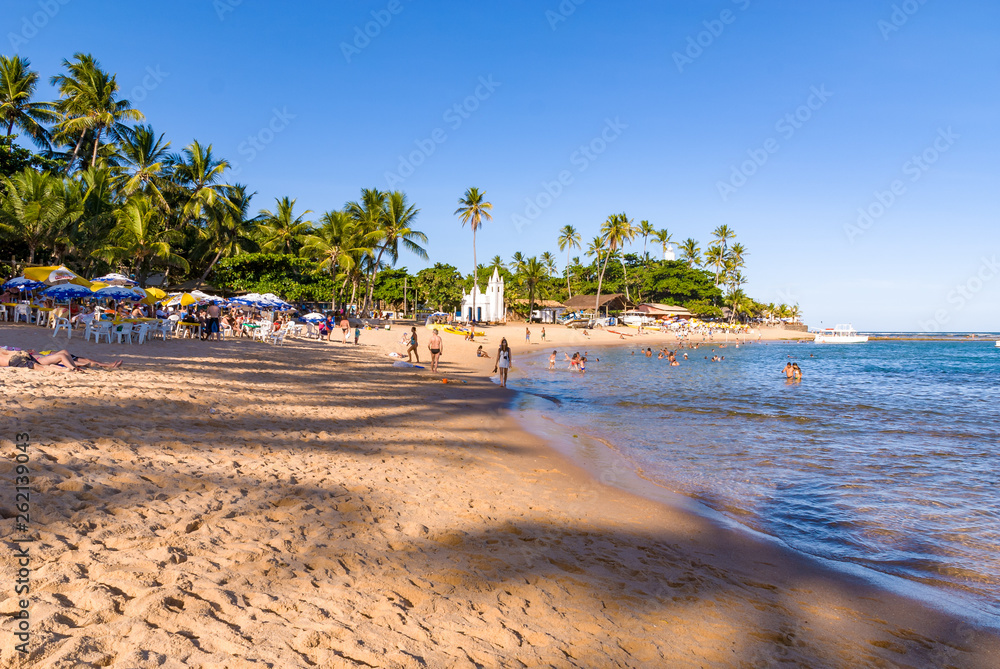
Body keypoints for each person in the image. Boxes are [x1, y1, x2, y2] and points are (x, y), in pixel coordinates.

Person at [0, 347, 122, 371]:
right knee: (63, 356)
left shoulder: (5, 349)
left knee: (65, 353)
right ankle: (105, 366)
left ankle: (103, 365)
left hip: (37, 356)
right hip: (37, 358)